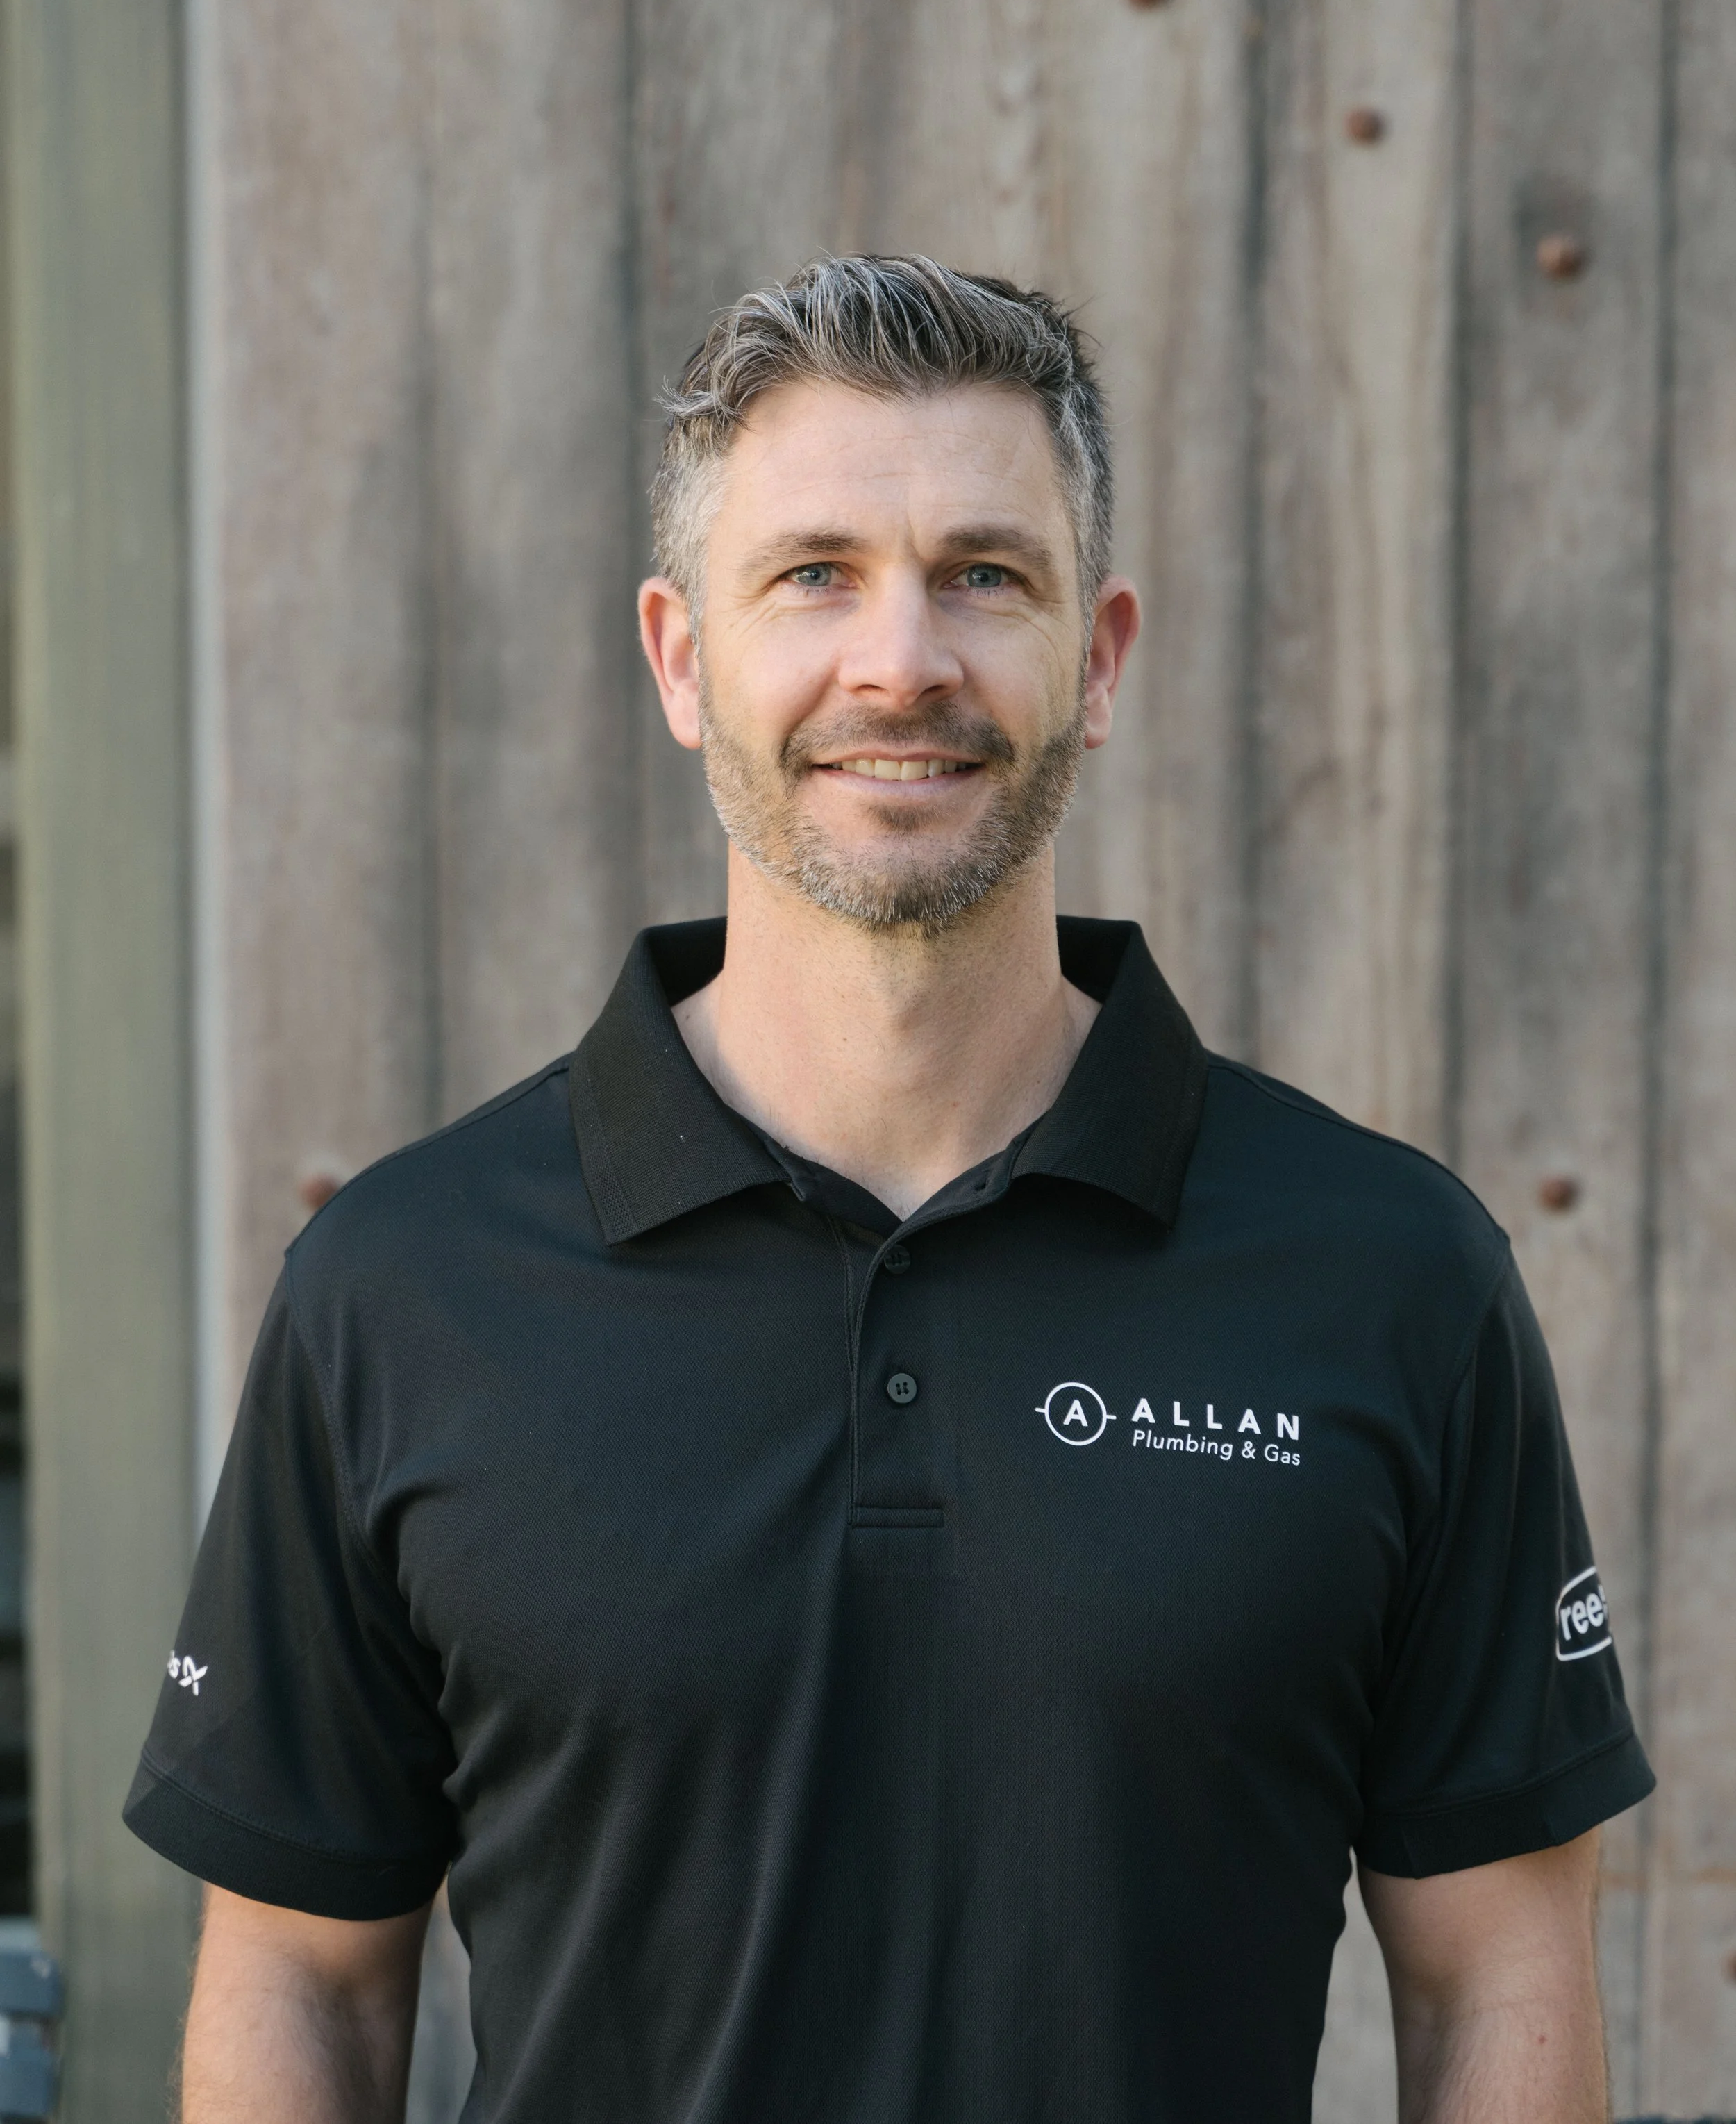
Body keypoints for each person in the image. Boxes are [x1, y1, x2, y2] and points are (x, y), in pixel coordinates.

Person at [128, 255, 1652, 2123]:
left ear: (1094, 659)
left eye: (982, 576)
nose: (901, 661)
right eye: (813, 575)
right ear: (685, 660)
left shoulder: (1390, 1275)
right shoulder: (404, 1286)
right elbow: (299, 1975)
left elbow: (1494, 1962)